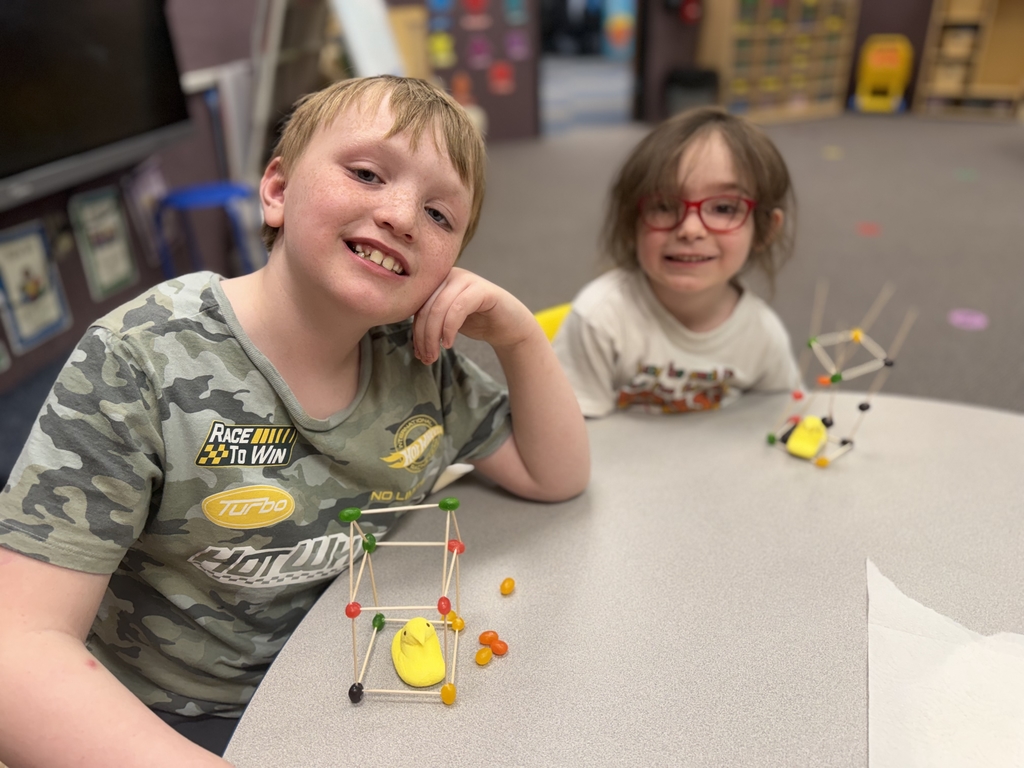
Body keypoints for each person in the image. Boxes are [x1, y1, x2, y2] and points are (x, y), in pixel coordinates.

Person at [0, 75, 589, 767]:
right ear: (277, 191)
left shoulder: (420, 363)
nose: (403, 216)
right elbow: (19, 651)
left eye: (440, 215)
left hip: (341, 677)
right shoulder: (137, 361)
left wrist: (518, 336)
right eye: (366, 174)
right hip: (173, 718)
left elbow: (555, 474)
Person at [552, 106, 802, 417]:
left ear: (764, 229)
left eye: (724, 208)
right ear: (631, 221)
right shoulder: (599, 320)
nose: (690, 229)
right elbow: (568, 433)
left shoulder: (763, 335)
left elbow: (779, 417)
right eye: (664, 205)